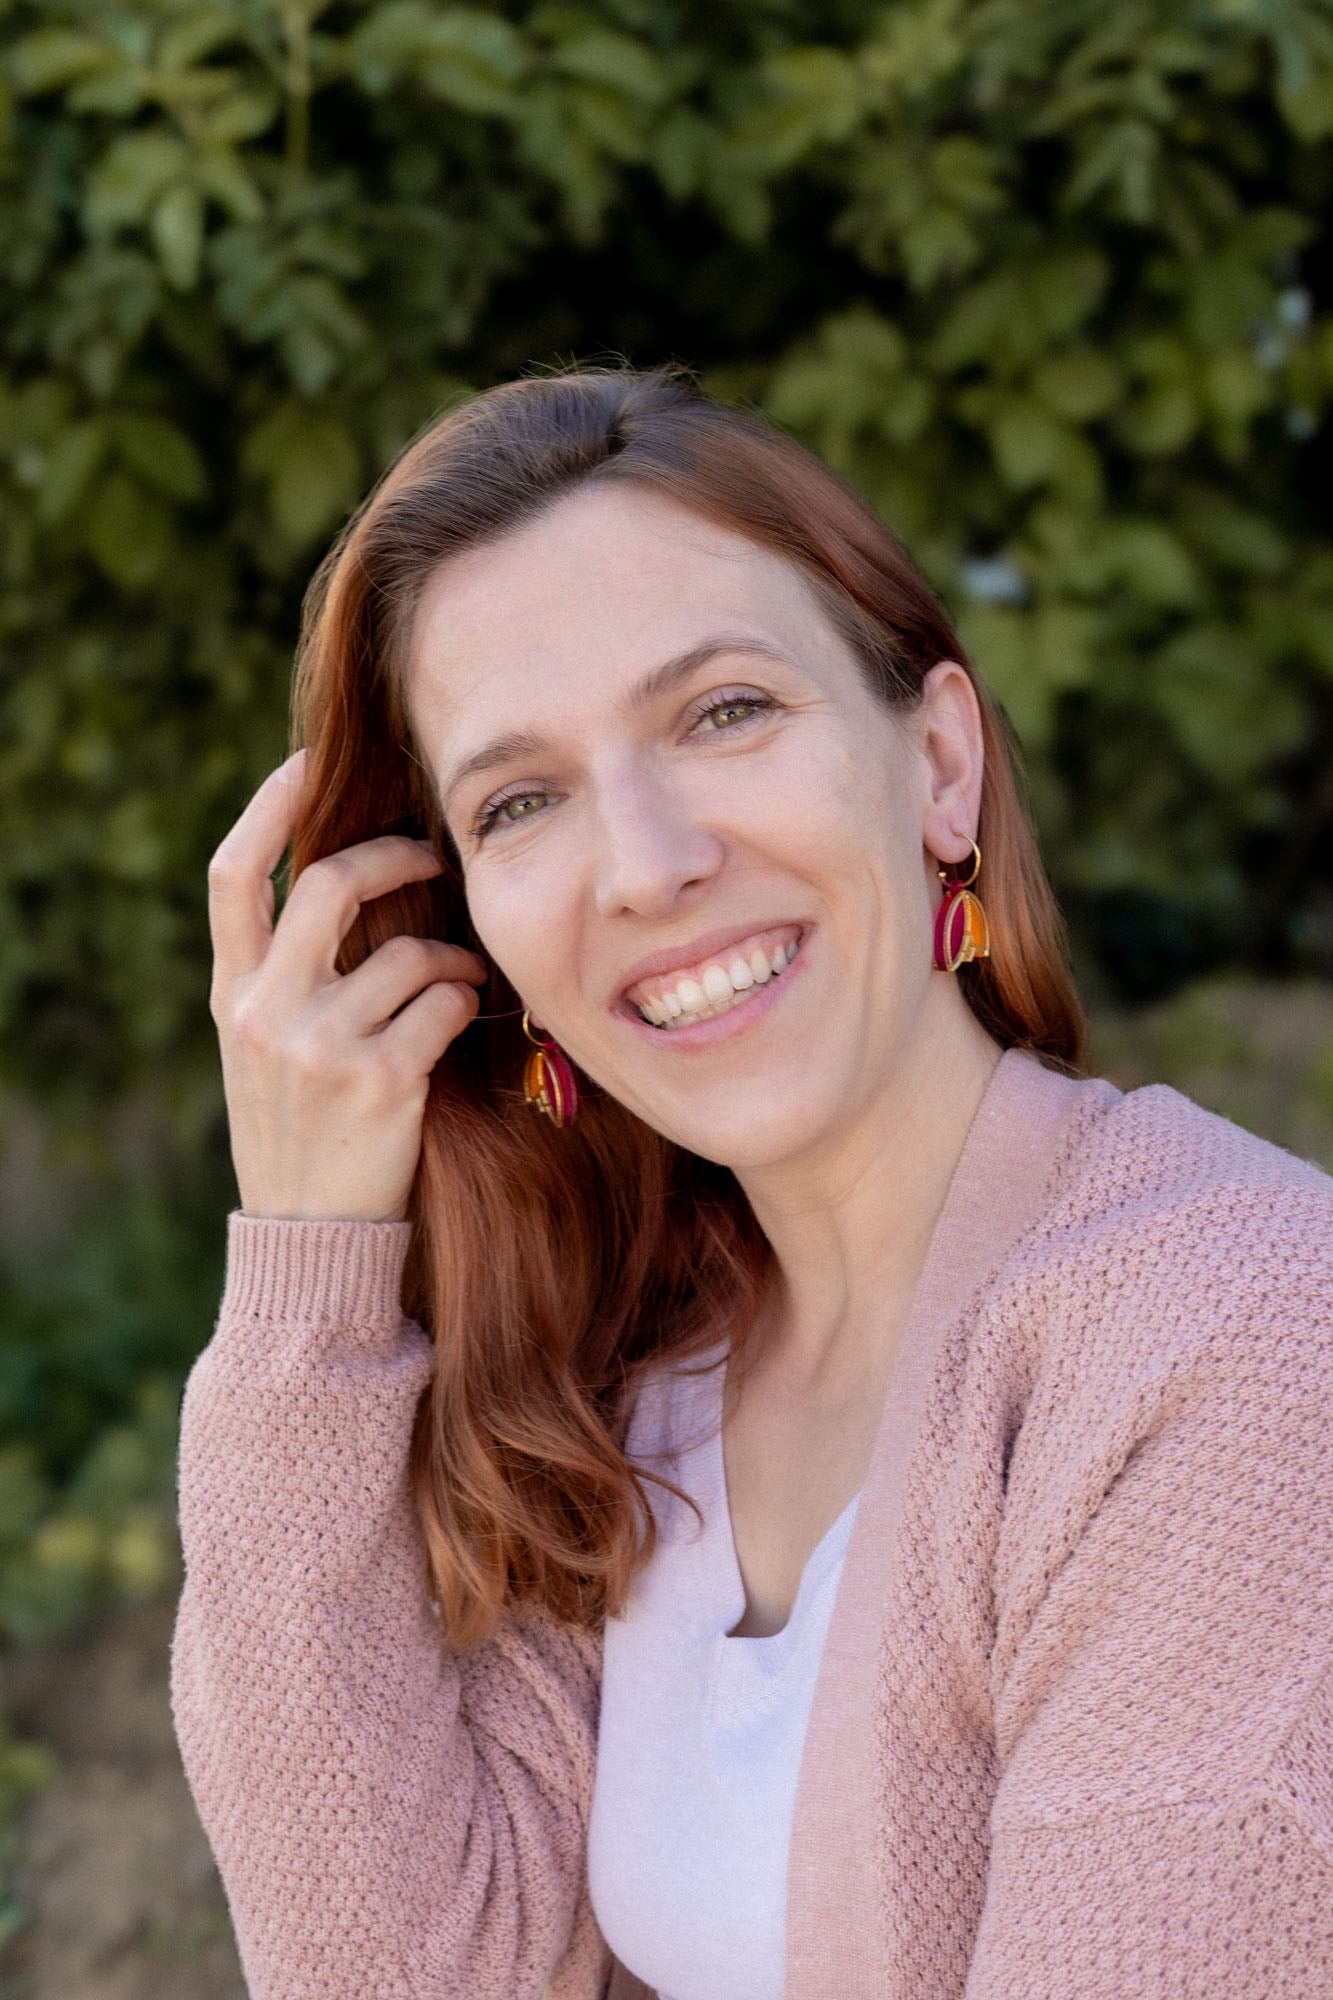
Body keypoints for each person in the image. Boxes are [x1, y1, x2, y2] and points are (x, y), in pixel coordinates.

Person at [170, 364, 1333, 2000]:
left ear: (938, 763)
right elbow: (403, 1974)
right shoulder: (630, 1378)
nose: (649, 866)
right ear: (469, 935)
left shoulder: (1240, 1340)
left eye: (723, 712)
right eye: (520, 801)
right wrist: (308, 1266)